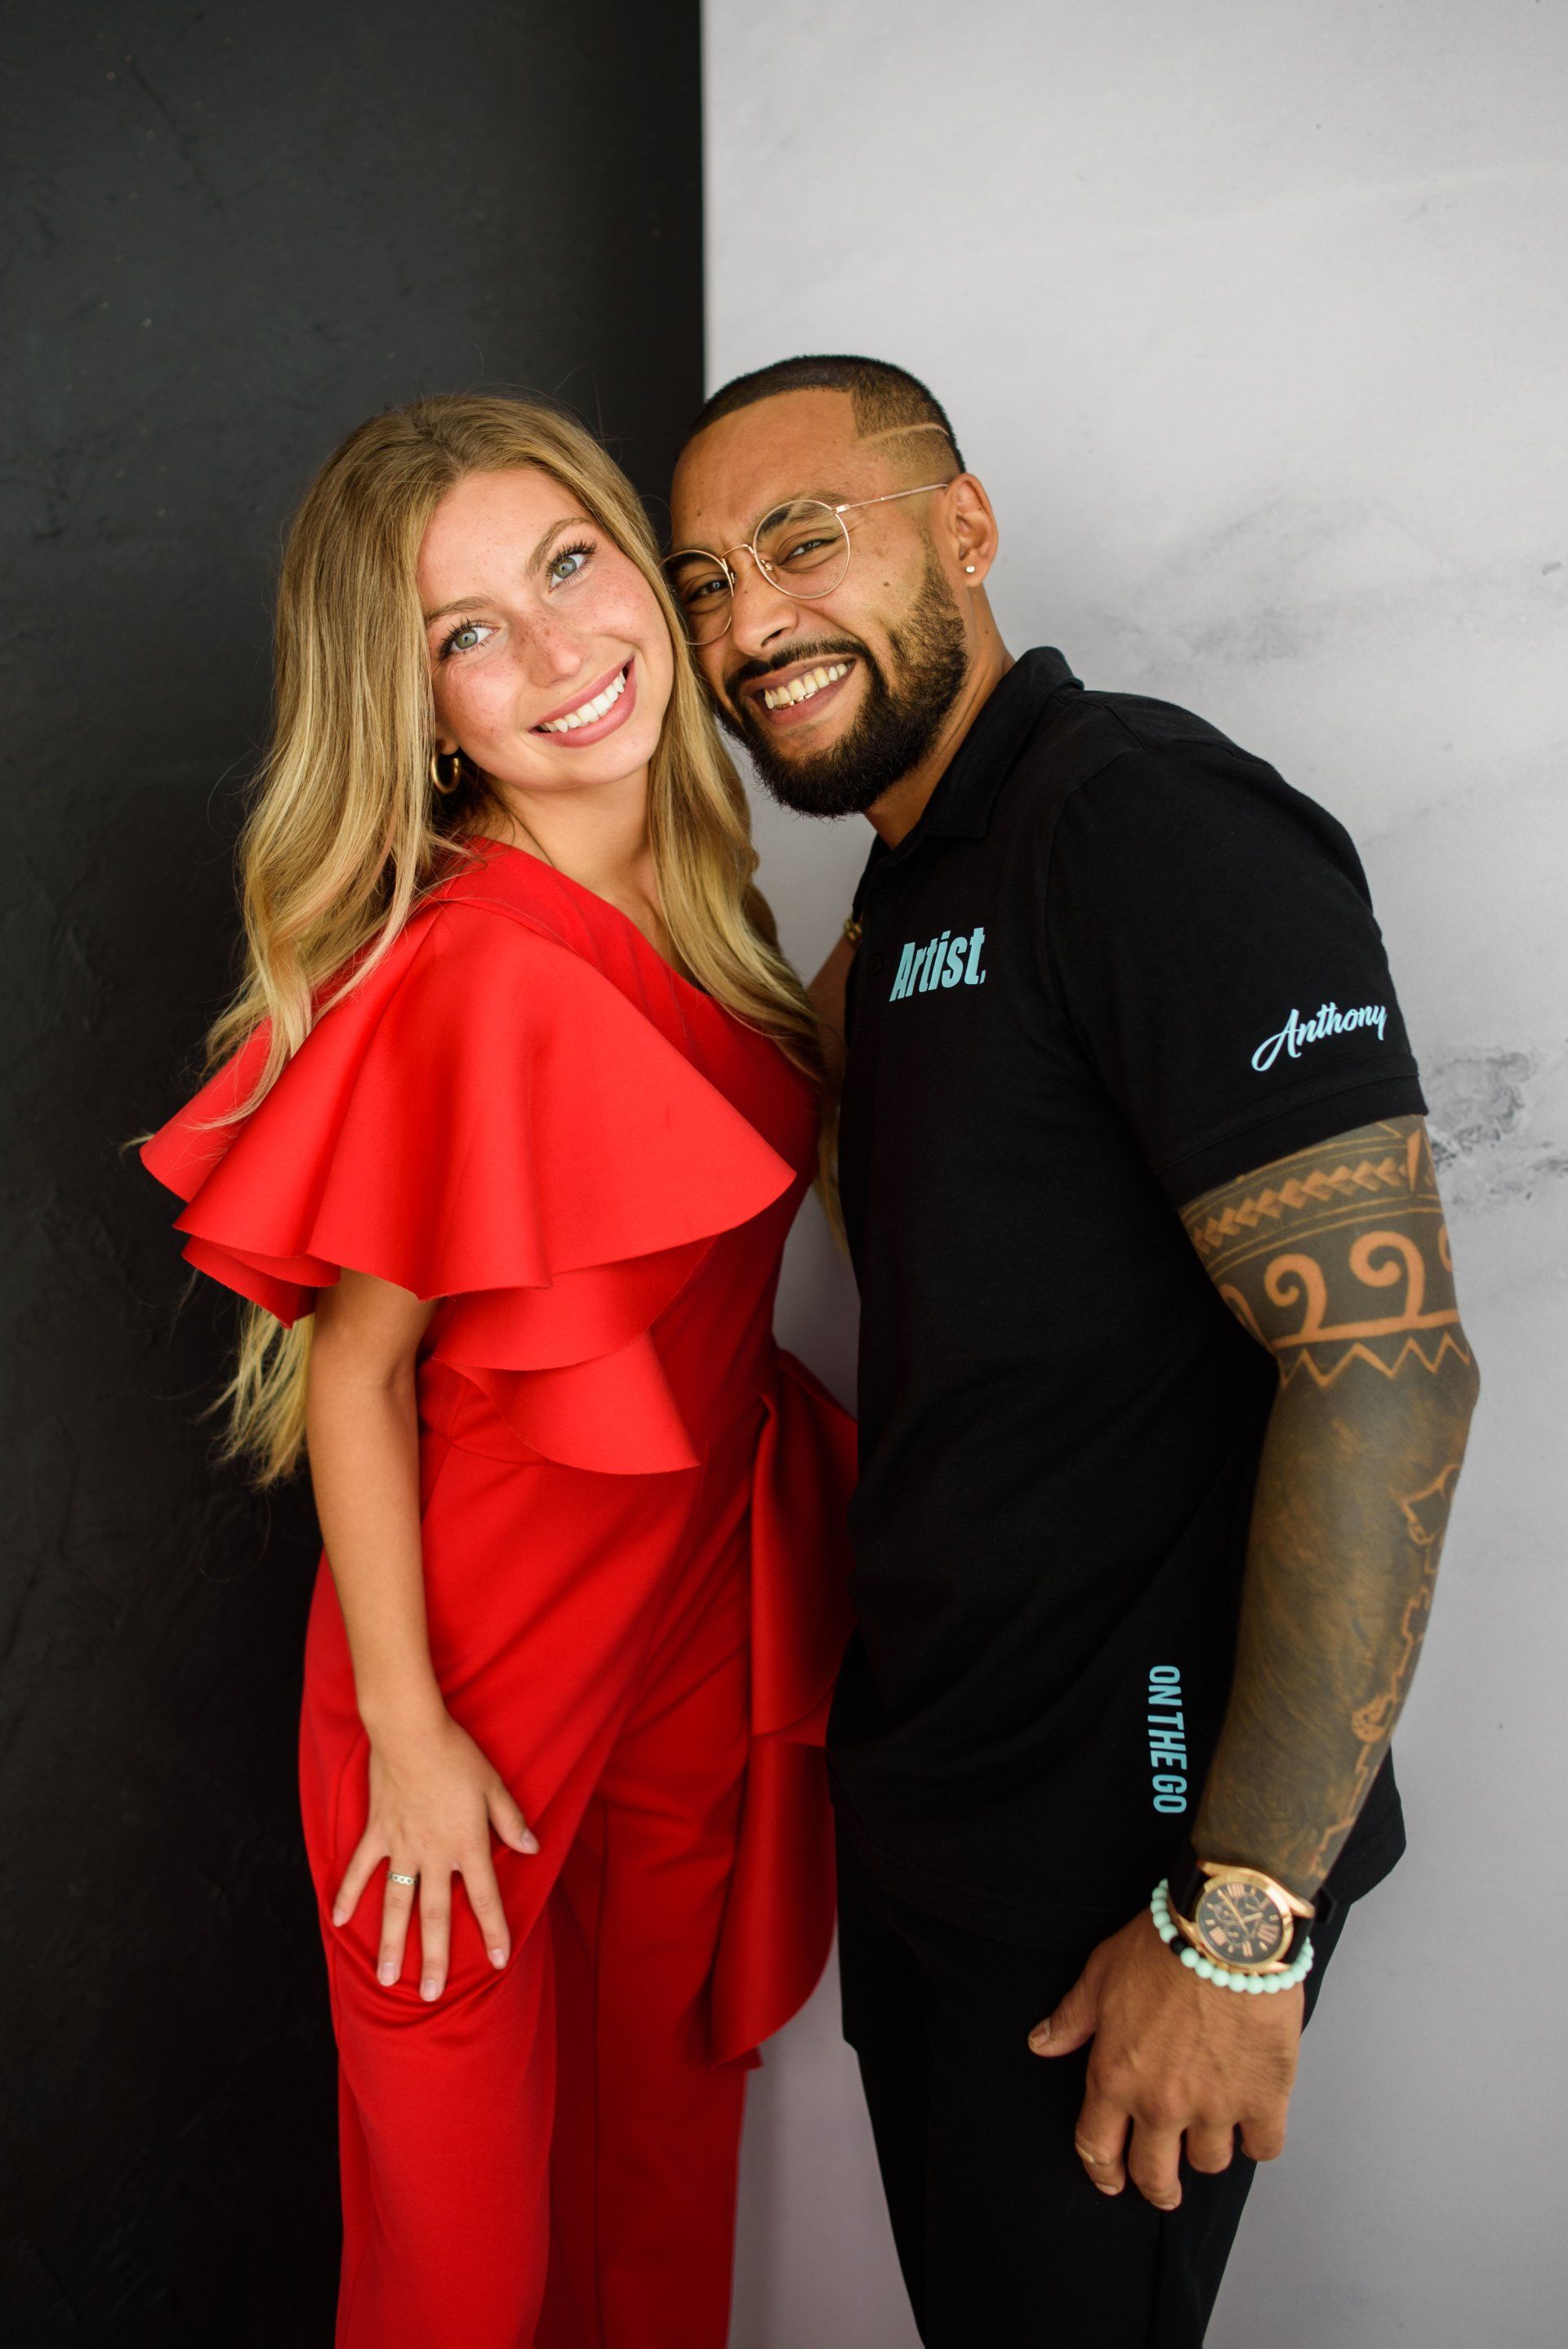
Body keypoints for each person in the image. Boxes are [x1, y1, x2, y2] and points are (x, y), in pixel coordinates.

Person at [668, 354, 1481, 2347]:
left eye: (803, 540)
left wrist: (1240, 1920)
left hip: (1138, 1863)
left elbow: (1388, 1366)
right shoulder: (918, 884)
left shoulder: (1140, 818)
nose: (749, 620)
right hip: (938, 1809)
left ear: (966, 527)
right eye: (701, 582)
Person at [139, 393, 855, 2349]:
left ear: (642, 567)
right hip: (464, 1686)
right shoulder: (468, 964)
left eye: (568, 566)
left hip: (692, 1635)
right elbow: (356, 1383)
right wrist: (415, 1737)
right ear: (423, 710)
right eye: (467, 632)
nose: (552, 653)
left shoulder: (716, 927)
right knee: (464, 2284)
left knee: (653, 2211)